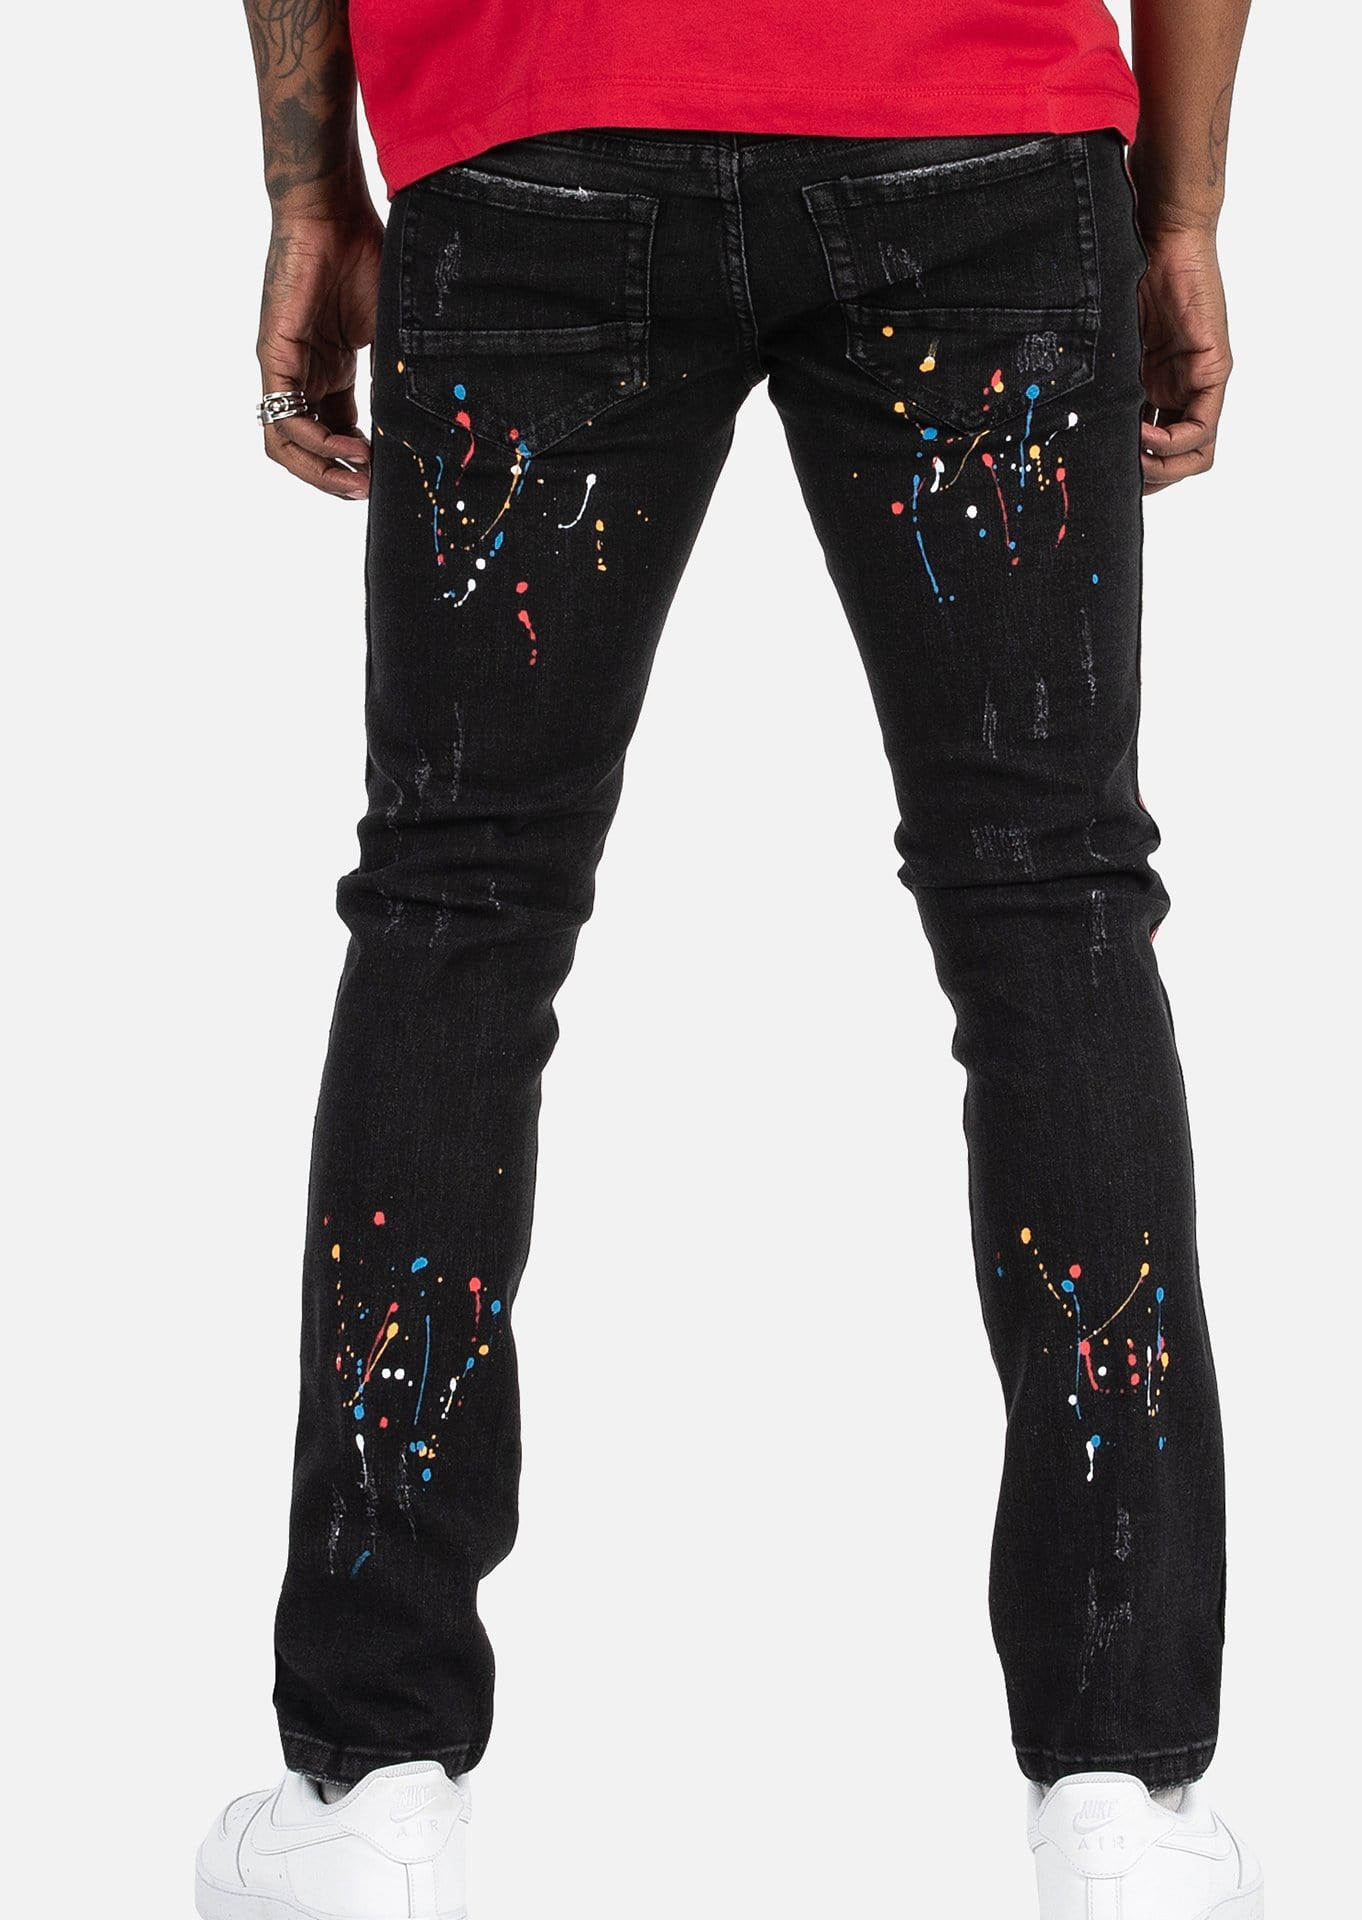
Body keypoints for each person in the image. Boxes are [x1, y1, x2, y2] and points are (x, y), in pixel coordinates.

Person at [196, 2, 1262, 1916]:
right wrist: (1179, 208)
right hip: (975, 128)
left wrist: (307, 187)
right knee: (1051, 905)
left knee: (458, 909)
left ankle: (369, 1786)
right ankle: (1124, 1798)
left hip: (531, 125)